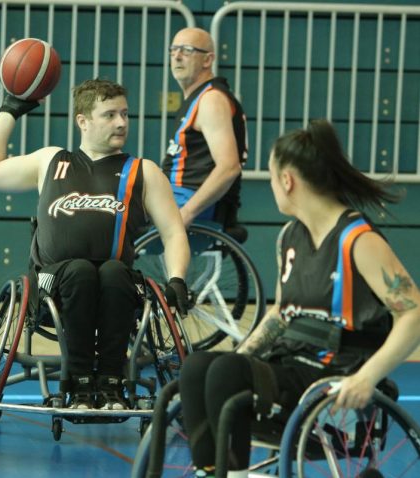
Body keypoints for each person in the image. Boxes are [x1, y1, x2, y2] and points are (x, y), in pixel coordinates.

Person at [178, 119, 420, 478]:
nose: (274, 186)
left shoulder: (358, 239)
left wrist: (367, 377)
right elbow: (283, 314)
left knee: (227, 372)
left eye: (274, 178)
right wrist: (239, 355)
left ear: (287, 181)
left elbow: (413, 315)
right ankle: (210, 470)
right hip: (291, 365)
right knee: (199, 366)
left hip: (334, 375)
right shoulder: (290, 237)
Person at [0, 78, 191, 410]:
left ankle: (112, 382)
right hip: (51, 287)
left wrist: (177, 279)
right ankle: (80, 381)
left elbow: (173, 232)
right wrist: (10, 111)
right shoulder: (51, 161)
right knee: (80, 272)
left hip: (115, 287)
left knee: (115, 272)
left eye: (125, 114)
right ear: (83, 121)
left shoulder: (142, 171)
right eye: (110, 115)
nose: (121, 123)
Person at [163, 27, 247, 231]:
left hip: (189, 201)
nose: (177, 56)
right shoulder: (199, 98)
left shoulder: (211, 100)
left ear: (208, 60)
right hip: (174, 197)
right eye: (173, 50)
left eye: (187, 50)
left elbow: (229, 167)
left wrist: (187, 212)